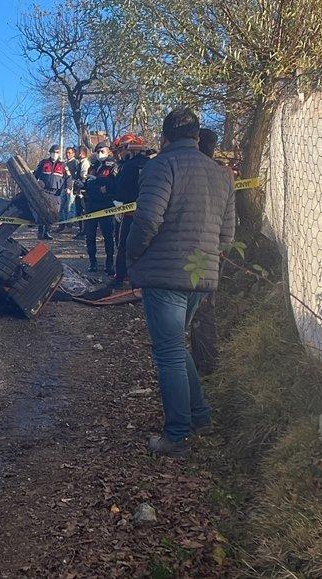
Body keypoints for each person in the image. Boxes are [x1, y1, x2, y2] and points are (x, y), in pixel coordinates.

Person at [127, 108, 234, 457]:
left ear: (165, 136)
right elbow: (228, 235)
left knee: (168, 353)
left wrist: (133, 256)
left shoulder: (162, 166)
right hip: (201, 275)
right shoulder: (221, 174)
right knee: (177, 346)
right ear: (197, 134)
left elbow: (146, 220)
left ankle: (176, 436)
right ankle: (200, 414)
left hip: (166, 274)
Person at [190, 127, 221, 375]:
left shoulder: (192, 173)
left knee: (193, 310)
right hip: (213, 250)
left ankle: (198, 364)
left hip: (193, 252)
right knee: (206, 310)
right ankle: (207, 363)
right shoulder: (222, 174)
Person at [111, 133, 154, 285]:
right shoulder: (151, 164)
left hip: (130, 213)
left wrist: (118, 201)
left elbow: (121, 190)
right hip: (150, 213)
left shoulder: (129, 166)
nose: (120, 154)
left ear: (128, 148)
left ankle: (120, 277)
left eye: (121, 150)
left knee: (124, 245)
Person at [83, 140, 118, 272]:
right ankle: (93, 263)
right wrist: (83, 185)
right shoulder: (93, 166)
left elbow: (115, 184)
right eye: (97, 152)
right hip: (91, 204)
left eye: (102, 151)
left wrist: (101, 182)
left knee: (108, 236)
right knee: (90, 235)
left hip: (105, 205)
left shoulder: (112, 165)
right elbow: (88, 182)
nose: (99, 154)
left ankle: (109, 264)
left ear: (108, 151)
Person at [33, 144, 68, 241]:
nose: (55, 154)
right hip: (44, 190)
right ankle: (40, 231)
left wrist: (68, 187)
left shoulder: (62, 165)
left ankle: (48, 232)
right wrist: (35, 183)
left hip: (56, 193)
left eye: (57, 152)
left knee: (52, 212)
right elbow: (35, 174)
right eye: (53, 152)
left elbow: (68, 177)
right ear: (50, 153)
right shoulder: (44, 163)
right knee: (41, 210)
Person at [57, 146, 78, 232]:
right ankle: (61, 225)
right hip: (63, 186)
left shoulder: (75, 162)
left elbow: (77, 174)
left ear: (73, 153)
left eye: (69, 153)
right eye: (66, 153)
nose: (67, 154)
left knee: (70, 206)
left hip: (71, 186)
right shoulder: (64, 163)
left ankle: (69, 226)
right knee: (61, 206)